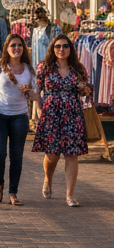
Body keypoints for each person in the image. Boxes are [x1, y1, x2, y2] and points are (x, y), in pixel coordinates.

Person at [0, 33, 39, 206]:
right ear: (7, 48)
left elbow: (37, 94)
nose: (16, 48)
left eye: (19, 45)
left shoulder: (29, 69)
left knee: (17, 156)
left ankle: (13, 192)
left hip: (20, 116)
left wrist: (31, 93)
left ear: (23, 48)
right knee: (0, 153)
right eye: (13, 45)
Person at [33, 34, 91, 206]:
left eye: (65, 46)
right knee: (52, 154)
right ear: (53, 48)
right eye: (58, 46)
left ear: (70, 49)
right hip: (51, 113)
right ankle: (48, 179)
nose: (61, 49)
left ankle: (69, 195)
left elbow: (86, 90)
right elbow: (38, 89)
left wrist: (85, 89)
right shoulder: (44, 67)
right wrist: (36, 108)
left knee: (72, 154)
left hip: (73, 114)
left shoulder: (78, 69)